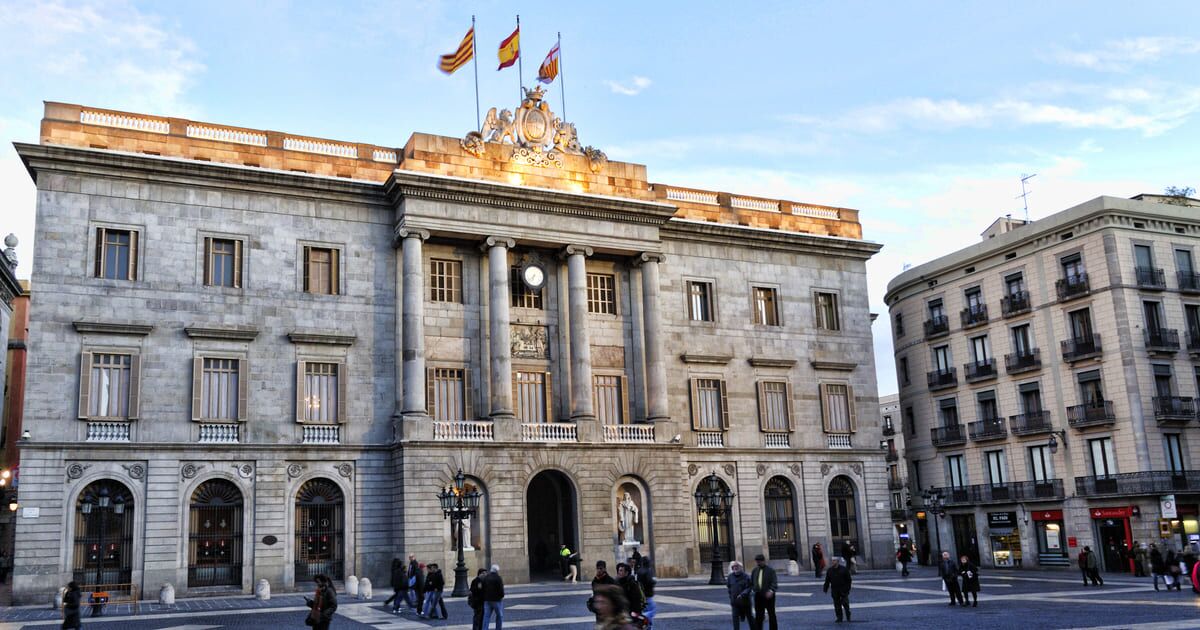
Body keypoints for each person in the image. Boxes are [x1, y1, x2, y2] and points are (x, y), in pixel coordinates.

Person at [750, 553, 778, 630]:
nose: (758, 563)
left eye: (760, 561)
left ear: (764, 561)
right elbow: (752, 581)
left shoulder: (770, 570)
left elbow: (774, 582)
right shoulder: (755, 570)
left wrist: (771, 590)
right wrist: (753, 588)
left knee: (771, 614)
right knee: (759, 615)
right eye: (757, 562)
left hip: (768, 595)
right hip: (758, 595)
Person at [822, 557, 852, 623]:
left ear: (838, 561)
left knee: (845, 603)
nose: (833, 562)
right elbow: (827, 580)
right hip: (835, 590)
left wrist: (847, 589)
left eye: (834, 560)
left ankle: (848, 616)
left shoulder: (844, 569)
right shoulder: (830, 570)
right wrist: (825, 588)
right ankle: (839, 617)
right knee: (837, 605)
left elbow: (849, 580)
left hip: (843, 589)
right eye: (832, 560)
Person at [726, 561, 753, 630]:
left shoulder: (746, 576)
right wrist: (731, 596)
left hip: (745, 602)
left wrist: (743, 594)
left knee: (750, 618)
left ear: (741, 568)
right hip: (735, 602)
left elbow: (749, 587)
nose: (735, 568)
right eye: (734, 567)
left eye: (737, 566)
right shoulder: (730, 577)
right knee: (735, 618)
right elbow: (729, 587)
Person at [634, 554, 657, 623]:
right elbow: (650, 582)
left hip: (642, 595)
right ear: (647, 563)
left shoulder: (639, 571)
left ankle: (646, 623)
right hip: (648, 595)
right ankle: (643, 617)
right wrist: (654, 582)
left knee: (649, 610)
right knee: (652, 610)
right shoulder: (647, 571)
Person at [482, 564, 505, 630]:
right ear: (497, 570)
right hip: (496, 600)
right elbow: (501, 589)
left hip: (487, 600)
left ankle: (485, 628)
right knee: (499, 616)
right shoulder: (498, 578)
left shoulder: (486, 577)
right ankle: (498, 628)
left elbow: (483, 588)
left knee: (486, 616)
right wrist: (501, 596)